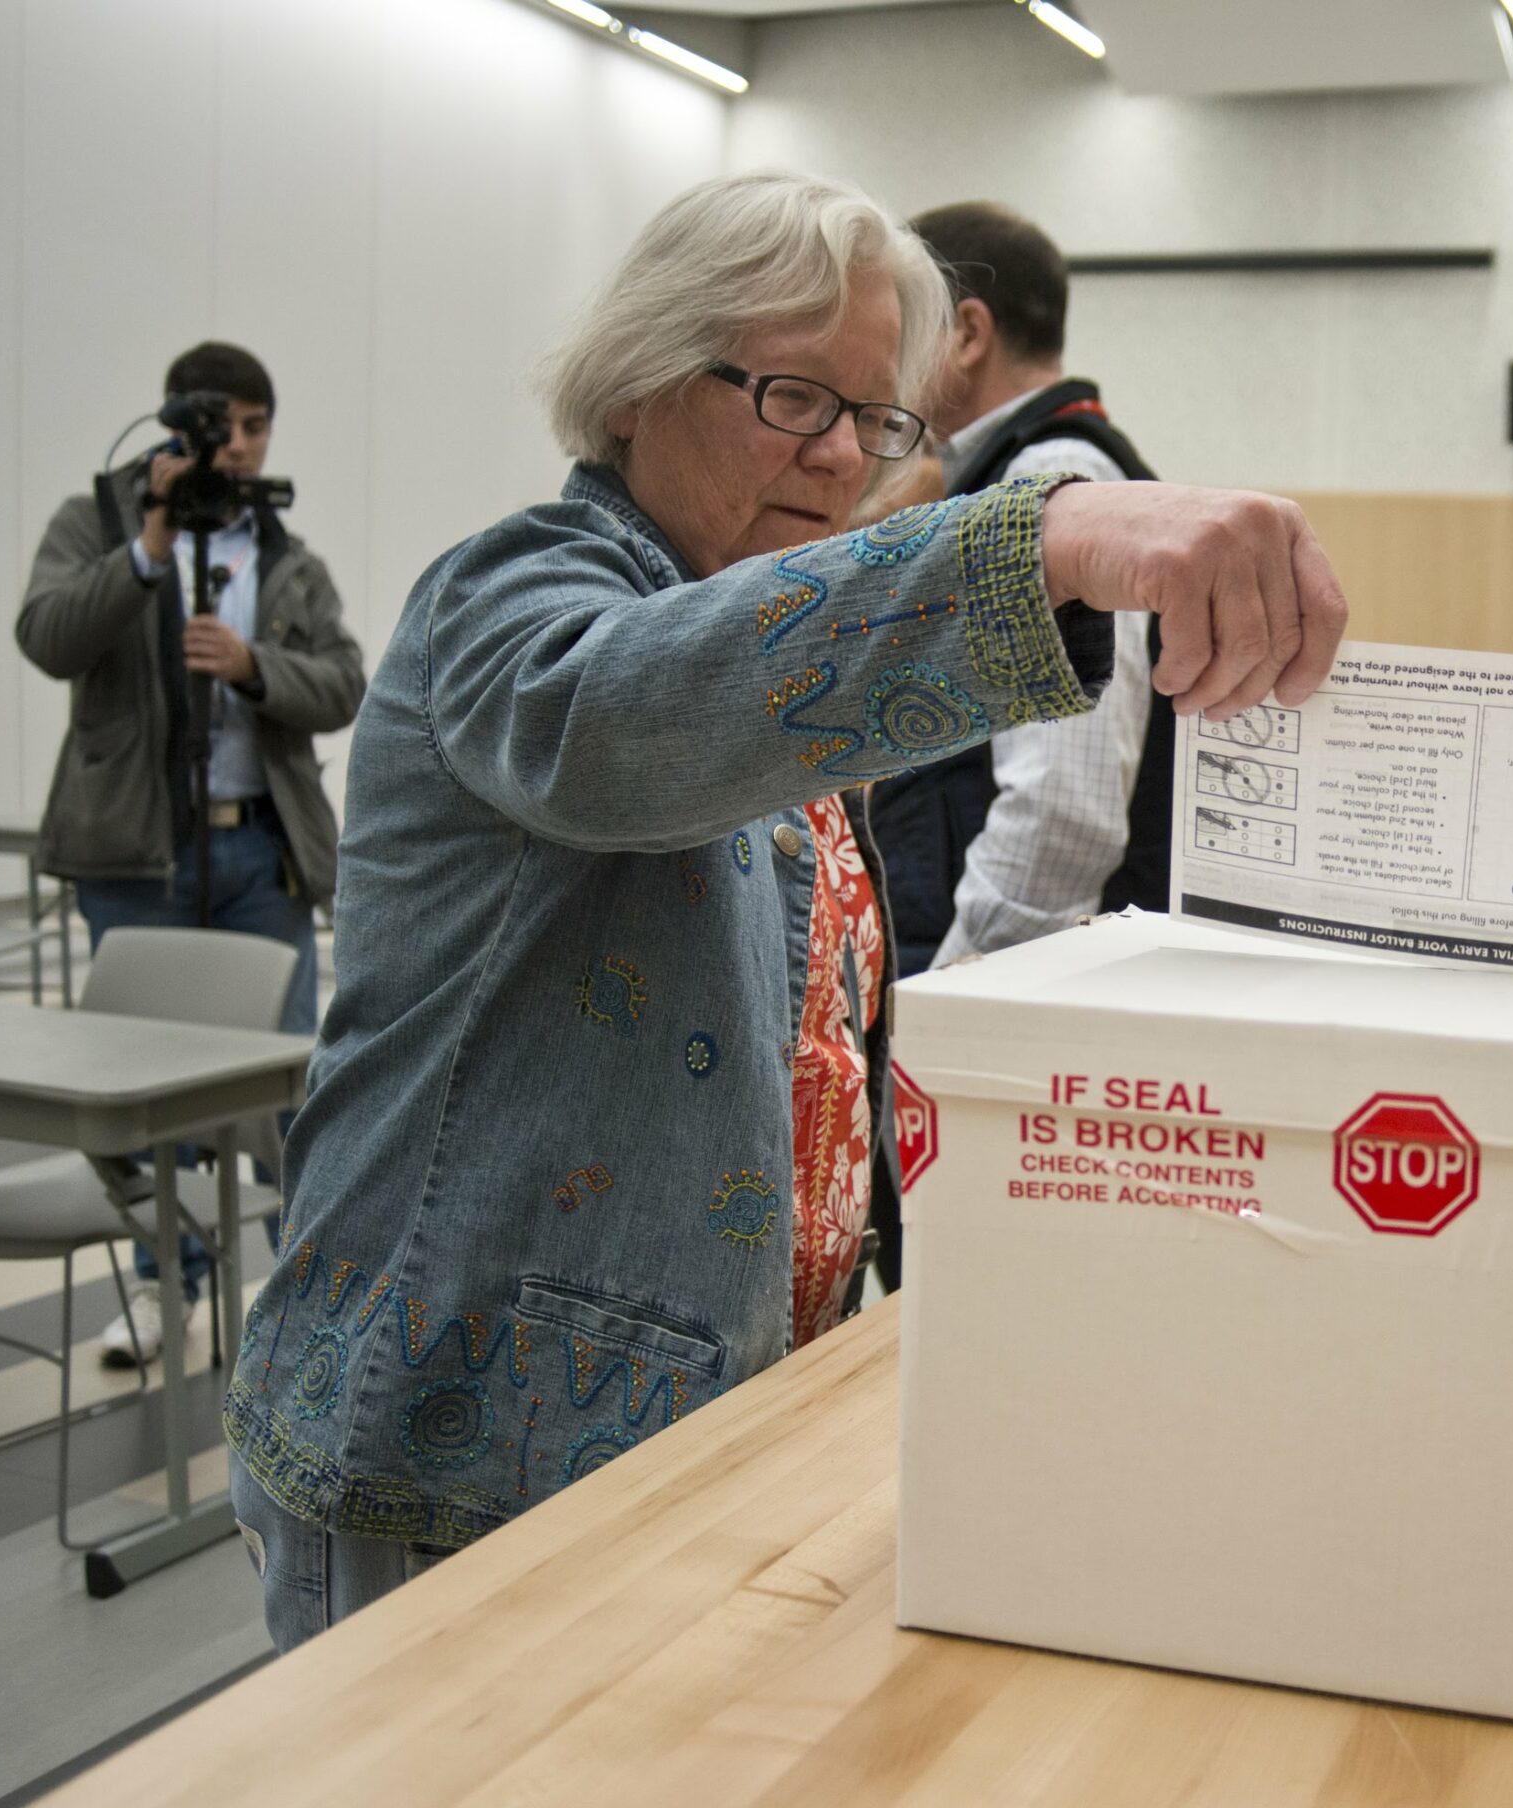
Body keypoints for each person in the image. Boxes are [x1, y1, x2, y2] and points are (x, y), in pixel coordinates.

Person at [218, 171, 1346, 1650]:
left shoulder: (755, 621)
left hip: (675, 1446)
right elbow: (618, 716)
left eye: (877, 421)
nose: (840, 460)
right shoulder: (513, 592)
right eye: (793, 399)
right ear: (636, 385)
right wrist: (1044, 537)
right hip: (452, 1457)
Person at [15, 341, 365, 1363]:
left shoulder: (286, 554)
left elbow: (343, 681)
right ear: (175, 424)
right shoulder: (99, 521)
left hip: (260, 854)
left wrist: (257, 667)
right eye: (222, 425)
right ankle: (167, 1288)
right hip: (138, 855)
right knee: (148, 1095)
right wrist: (147, 548)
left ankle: (301, 1303)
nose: (241, 446)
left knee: (291, 1091)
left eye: (257, 426)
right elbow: (45, 635)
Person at [873, 201, 1168, 976]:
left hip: (989, 979)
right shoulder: (1031, 473)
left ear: (968, 334)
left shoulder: (1051, 482)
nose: (881, 364)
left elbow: (1063, 813)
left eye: (899, 331)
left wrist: (950, 1002)